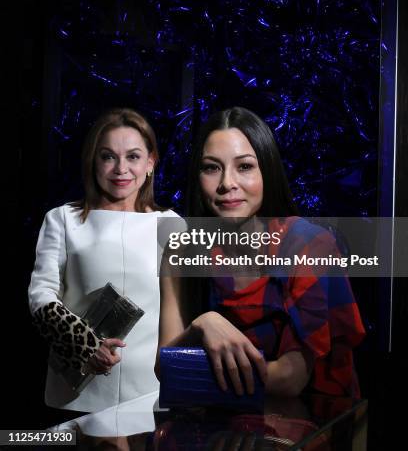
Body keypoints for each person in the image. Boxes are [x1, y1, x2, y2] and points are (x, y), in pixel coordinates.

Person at [156, 107, 366, 399]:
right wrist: (202, 325)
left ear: (266, 170)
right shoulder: (182, 249)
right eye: (211, 167)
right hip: (214, 429)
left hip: (307, 427)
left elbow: (289, 380)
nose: (227, 183)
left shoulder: (310, 246)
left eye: (244, 166)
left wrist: (191, 372)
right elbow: (164, 369)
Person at [29, 108, 180, 413]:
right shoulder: (62, 219)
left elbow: (179, 312)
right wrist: (84, 345)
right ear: (93, 163)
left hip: (150, 394)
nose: (121, 169)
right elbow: (40, 295)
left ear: (150, 162)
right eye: (108, 156)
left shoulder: (172, 223)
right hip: (76, 394)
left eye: (133, 157)